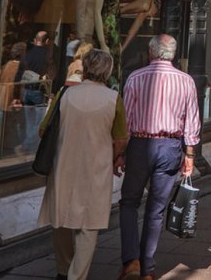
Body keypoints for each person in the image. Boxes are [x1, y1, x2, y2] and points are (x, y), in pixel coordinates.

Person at [37, 49, 127, 280]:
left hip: (64, 164)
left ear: (85, 68)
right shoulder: (113, 99)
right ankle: (77, 275)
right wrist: (115, 156)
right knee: (89, 226)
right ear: (107, 71)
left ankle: (63, 269)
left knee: (61, 220)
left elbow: (43, 129)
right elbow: (120, 138)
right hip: (96, 167)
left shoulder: (65, 94)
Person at [117, 35, 200, 280]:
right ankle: (148, 268)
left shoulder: (135, 77)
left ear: (151, 52)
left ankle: (131, 261)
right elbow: (192, 121)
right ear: (172, 55)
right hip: (171, 146)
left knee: (129, 202)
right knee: (156, 209)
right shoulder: (186, 81)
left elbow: (126, 120)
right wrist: (190, 154)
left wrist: (120, 153)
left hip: (141, 144)